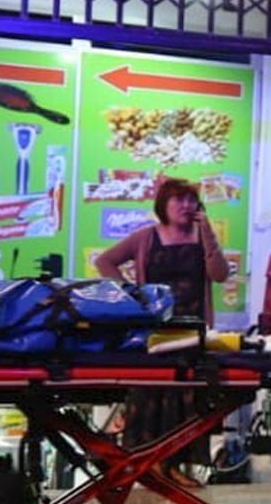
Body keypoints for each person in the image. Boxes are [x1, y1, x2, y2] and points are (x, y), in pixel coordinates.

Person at [94, 176, 233, 488]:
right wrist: (133, 295)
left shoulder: (202, 235)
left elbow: (220, 275)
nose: (186, 206)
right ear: (163, 206)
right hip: (155, 330)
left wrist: (208, 233)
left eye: (190, 200)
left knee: (187, 398)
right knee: (151, 395)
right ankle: (149, 463)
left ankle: (174, 466)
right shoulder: (146, 237)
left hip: (192, 330)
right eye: (178, 200)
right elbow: (105, 261)